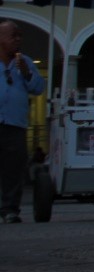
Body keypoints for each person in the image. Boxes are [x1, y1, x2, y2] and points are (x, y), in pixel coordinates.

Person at [0, 20, 46, 224]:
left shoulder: (25, 61)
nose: (18, 40)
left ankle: (10, 210)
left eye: (19, 36)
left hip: (15, 124)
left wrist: (27, 73)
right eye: (13, 36)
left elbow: (38, 88)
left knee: (13, 169)